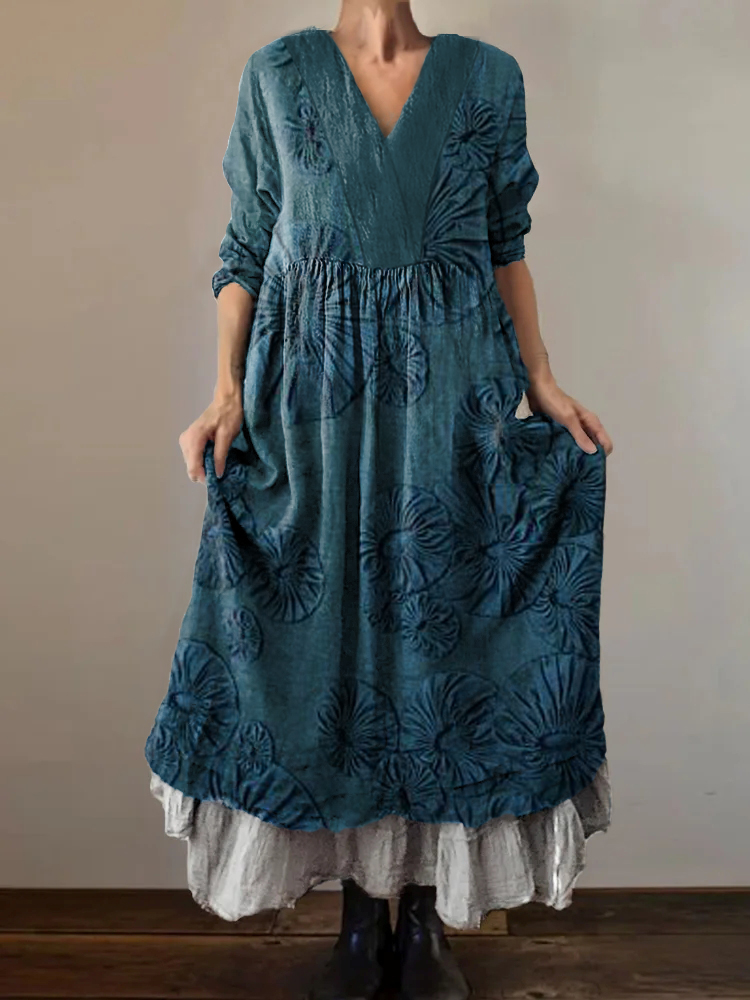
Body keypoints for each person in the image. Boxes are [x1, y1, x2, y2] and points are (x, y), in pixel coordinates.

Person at [145, 3, 615, 998]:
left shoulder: (488, 76)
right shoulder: (278, 73)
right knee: (332, 649)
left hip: (453, 399)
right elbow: (247, 245)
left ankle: (424, 917)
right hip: (310, 408)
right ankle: (361, 915)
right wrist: (224, 395)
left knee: (440, 648)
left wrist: (541, 379)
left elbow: (504, 243)